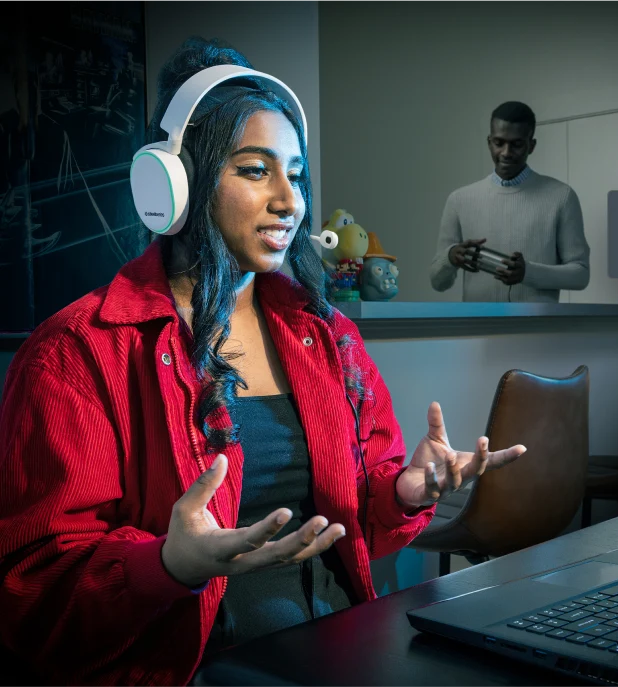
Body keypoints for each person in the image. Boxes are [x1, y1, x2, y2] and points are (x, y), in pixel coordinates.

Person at [0, 37, 525, 687]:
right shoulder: (75, 354)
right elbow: (33, 597)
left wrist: (404, 490)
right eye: (255, 170)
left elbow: (361, 526)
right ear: (177, 182)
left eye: (295, 173)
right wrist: (167, 565)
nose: (290, 201)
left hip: (339, 642)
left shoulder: (326, 337)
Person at [429, 101, 590, 302]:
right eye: (499, 143)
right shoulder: (459, 199)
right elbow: (437, 281)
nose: (506, 152)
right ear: (489, 142)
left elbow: (581, 274)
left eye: (516, 144)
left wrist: (528, 273)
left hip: (539, 330)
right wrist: (451, 257)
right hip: (478, 328)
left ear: (531, 145)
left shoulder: (561, 196)